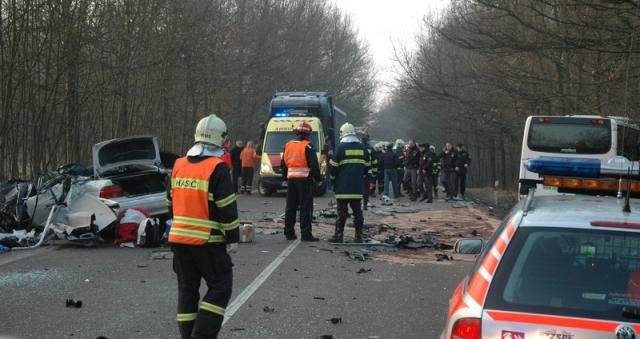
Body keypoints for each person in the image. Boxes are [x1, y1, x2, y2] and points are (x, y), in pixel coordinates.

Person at [166, 114, 240, 339]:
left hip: (179, 240)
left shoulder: (178, 165)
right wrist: (232, 238)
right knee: (220, 287)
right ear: (221, 139)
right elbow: (227, 207)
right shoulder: (217, 168)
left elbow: (170, 203)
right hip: (207, 241)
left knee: (187, 291)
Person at [329, 123, 371, 243]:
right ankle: (358, 236)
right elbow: (368, 167)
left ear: (342, 133)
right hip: (357, 187)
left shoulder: (340, 148)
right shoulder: (362, 148)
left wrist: (333, 181)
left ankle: (338, 235)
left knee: (342, 212)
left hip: (342, 188)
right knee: (357, 211)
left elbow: (333, 168)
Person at [281, 122, 322, 241]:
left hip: (291, 180)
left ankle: (289, 233)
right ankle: (306, 234)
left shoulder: (288, 145)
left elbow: (283, 165)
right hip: (304, 180)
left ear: (297, 133)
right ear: (308, 134)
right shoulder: (308, 146)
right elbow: (314, 165)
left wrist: (285, 178)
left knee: (290, 207)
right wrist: (318, 179)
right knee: (305, 207)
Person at [358, 131, 377, 210]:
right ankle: (365, 204)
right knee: (366, 189)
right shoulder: (371, 149)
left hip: (358, 171)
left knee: (358, 188)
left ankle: (358, 204)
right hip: (368, 171)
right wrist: (374, 173)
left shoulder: (358, 147)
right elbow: (374, 162)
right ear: (368, 140)